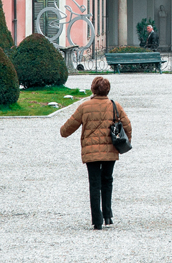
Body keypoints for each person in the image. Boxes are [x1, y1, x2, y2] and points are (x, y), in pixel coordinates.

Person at [60, 76, 133, 230]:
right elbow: (127, 126)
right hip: (110, 150)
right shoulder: (115, 105)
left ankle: (97, 220)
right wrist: (127, 142)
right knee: (107, 180)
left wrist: (63, 132)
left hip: (91, 151)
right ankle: (107, 215)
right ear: (108, 90)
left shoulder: (84, 106)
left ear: (93, 89)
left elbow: (67, 128)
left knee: (94, 184)